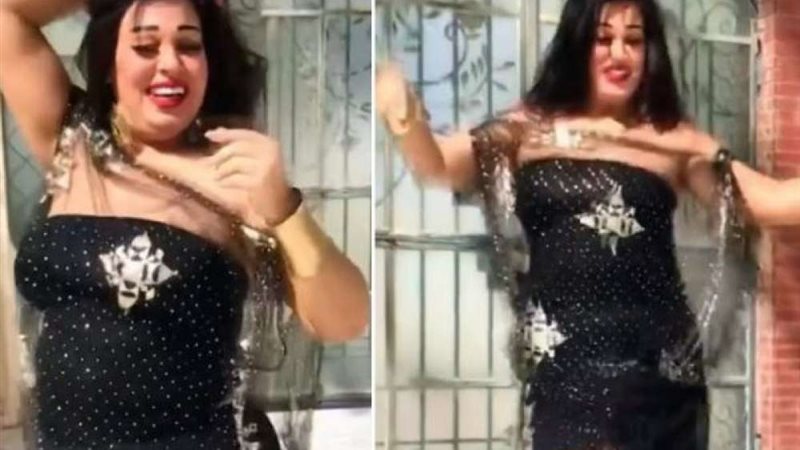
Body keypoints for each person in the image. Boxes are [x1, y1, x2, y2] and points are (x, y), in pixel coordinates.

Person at [0, 0, 369, 448]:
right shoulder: (73, 140)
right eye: (145, 46)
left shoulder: (236, 178)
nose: (170, 64)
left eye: (189, 46)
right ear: (109, 63)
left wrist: (283, 210)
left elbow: (344, 321)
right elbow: (8, 15)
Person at [377, 0, 730, 449]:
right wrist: (403, 114)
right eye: (603, 38)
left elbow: (762, 200)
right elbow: (436, 164)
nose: (619, 54)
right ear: (577, 42)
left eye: (634, 40)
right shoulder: (525, 129)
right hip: (565, 375)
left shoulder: (673, 140)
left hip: (655, 372)